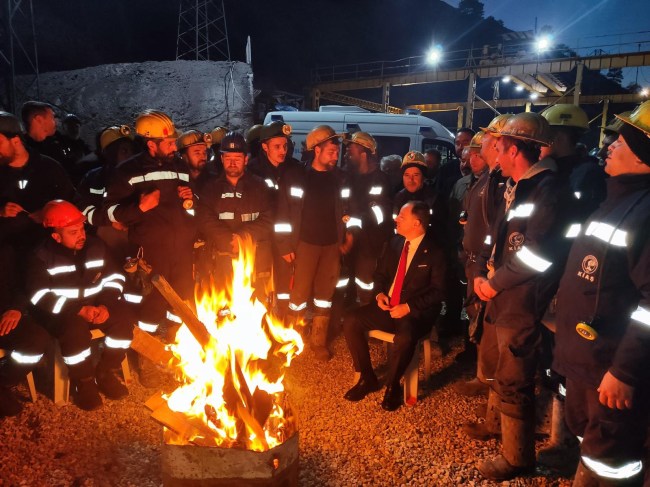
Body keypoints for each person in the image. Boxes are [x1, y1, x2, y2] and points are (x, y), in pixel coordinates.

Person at [553, 102, 650, 486]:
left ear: (645, 158)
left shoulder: (644, 213)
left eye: (622, 142)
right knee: (589, 442)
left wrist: (625, 371)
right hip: (586, 360)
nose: (609, 147)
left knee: (611, 460)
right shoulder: (616, 201)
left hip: (610, 368)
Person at [473, 112, 572, 480]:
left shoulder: (548, 189)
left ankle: (517, 458)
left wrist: (494, 283)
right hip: (506, 293)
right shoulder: (516, 185)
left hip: (523, 298)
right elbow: (500, 239)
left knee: (516, 373)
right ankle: (501, 433)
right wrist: (485, 270)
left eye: (498, 144)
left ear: (513, 148)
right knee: (505, 369)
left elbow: (536, 253)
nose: (491, 150)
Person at [101, 109, 195, 386]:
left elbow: (189, 205)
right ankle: (149, 361)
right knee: (151, 308)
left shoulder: (179, 166)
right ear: (150, 143)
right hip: (151, 252)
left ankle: (177, 355)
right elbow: (110, 213)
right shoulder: (127, 171)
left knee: (180, 305)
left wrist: (191, 200)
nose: (174, 146)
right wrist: (139, 208)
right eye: (168, 143)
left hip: (182, 250)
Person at [26, 200, 134, 410]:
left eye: (82, 228)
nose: (81, 235)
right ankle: (84, 383)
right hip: (60, 311)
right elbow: (38, 295)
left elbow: (115, 277)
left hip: (95, 304)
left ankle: (105, 371)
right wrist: (78, 310)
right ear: (56, 236)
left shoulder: (96, 245)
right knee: (74, 333)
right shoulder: (40, 256)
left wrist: (105, 305)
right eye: (73, 232)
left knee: (123, 320)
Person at [343, 201, 446, 411]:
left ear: (417, 223)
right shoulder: (394, 244)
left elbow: (439, 291)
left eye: (401, 217)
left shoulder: (435, 252)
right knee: (351, 320)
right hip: (389, 306)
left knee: (406, 337)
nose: (395, 219)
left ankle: (393, 385)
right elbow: (380, 275)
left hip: (414, 313)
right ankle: (367, 376)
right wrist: (380, 294)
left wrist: (408, 307)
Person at [275, 125, 351, 361]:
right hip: (304, 244)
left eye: (336, 150)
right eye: (331, 149)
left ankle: (318, 342)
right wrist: (285, 246)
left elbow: (349, 211)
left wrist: (349, 236)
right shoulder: (297, 177)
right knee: (297, 297)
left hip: (331, 246)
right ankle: (292, 340)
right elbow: (283, 213)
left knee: (324, 295)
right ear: (316, 150)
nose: (336, 154)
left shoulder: (340, 179)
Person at [196, 131, 272, 291]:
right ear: (222, 159)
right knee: (221, 309)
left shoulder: (260, 186)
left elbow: (268, 219)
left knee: (253, 308)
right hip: (219, 259)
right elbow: (204, 219)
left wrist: (243, 237)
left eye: (237, 159)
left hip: (254, 260)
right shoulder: (210, 188)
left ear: (246, 159)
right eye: (228, 158)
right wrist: (227, 239)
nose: (232, 163)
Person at [247, 121, 303, 314]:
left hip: (287, 242)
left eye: (285, 146)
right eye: (277, 147)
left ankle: (283, 323)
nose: (283, 151)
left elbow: (296, 209)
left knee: (284, 287)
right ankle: (260, 323)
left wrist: (289, 243)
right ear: (264, 147)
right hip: (261, 240)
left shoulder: (294, 170)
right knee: (259, 283)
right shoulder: (253, 171)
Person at [0, 110, 75, 254]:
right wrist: (1, 211)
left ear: (15, 141)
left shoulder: (49, 168)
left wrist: (50, 213)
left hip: (47, 252)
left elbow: (72, 202)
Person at [342, 131, 393, 306]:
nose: (346, 155)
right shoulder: (348, 178)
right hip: (349, 242)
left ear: (363, 154)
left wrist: (352, 223)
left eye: (351, 151)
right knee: (344, 284)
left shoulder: (380, 180)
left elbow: (379, 215)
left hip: (370, 245)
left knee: (366, 286)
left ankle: (368, 323)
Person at [0, 242, 49, 417]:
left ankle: (4, 381)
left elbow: (20, 286)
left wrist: (16, 308)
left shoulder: (5, 250)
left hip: (4, 314)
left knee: (37, 339)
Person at [540, 103, 607, 218]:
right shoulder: (554, 168)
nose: (538, 144)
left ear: (557, 137)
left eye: (542, 136)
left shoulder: (588, 174)